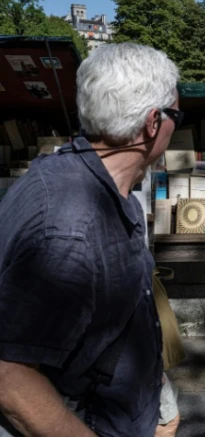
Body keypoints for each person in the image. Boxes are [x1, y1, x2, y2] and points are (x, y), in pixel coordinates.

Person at [0, 43, 180, 436]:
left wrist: (160, 398)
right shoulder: (69, 232)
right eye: (175, 116)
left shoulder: (91, 180)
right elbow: (10, 376)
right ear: (153, 122)